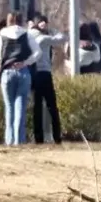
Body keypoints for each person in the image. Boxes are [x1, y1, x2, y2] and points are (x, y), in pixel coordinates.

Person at [0, 12, 41, 145]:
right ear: (21, 21)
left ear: (8, 20)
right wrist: (26, 62)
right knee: (20, 107)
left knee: (9, 107)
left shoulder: (2, 35)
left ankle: (9, 140)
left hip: (7, 72)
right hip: (22, 71)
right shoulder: (26, 34)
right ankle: (19, 140)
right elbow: (38, 52)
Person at [29, 13, 66, 144]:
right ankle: (57, 136)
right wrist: (51, 30)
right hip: (44, 73)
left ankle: (38, 137)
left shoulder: (28, 36)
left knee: (37, 107)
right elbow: (62, 38)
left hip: (33, 74)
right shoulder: (43, 38)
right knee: (52, 106)